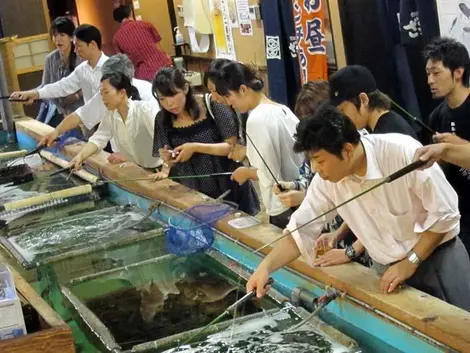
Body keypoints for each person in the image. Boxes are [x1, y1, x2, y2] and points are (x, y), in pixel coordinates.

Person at [247, 104, 470, 312]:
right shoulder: (326, 181)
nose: (316, 169)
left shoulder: (402, 152)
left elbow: (445, 213)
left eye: (320, 160)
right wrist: (265, 268)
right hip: (388, 269)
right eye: (311, 160)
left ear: (346, 150)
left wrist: (411, 261)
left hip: (438, 259)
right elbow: (301, 229)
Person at [315, 65, 420, 259]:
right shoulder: (374, 130)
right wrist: (340, 233)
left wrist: (351, 251)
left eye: (343, 110)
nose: (341, 120)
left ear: (363, 100)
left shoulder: (390, 137)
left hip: (415, 250)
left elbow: (384, 210)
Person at [152, 67, 260, 215]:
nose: (169, 104)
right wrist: (168, 159)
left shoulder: (213, 106)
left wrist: (195, 147)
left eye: (173, 95)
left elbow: (232, 148)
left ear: (185, 88)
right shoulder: (162, 119)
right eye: (162, 99)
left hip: (227, 184)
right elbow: (165, 153)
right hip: (191, 190)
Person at [216, 62, 303, 229]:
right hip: (300, 195)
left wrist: (246, 173)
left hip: (283, 205)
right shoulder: (282, 109)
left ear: (242, 89)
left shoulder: (257, 118)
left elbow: (269, 174)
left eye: (228, 96)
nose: (228, 103)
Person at [39, 54, 158, 165]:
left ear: (121, 88)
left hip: (154, 164)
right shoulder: (110, 105)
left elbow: (161, 139)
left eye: (106, 91)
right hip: (127, 163)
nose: (103, 96)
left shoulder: (146, 103)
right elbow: (96, 132)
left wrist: (129, 157)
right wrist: (79, 156)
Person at [425, 37, 470, 254]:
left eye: (436, 72)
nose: (430, 80)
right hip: (459, 215)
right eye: (428, 74)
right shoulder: (436, 116)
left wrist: (454, 147)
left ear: (458, 72)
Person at [69, 72, 161, 170]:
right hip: (140, 169)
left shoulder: (144, 110)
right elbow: (98, 138)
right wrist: (80, 157)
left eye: (106, 92)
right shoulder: (111, 114)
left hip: (162, 169)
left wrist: (165, 170)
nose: (103, 98)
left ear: (122, 93)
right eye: (101, 93)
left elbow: (164, 142)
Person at [11, 24, 107, 107]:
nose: (75, 50)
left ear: (93, 44)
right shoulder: (82, 69)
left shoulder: (111, 67)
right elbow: (62, 86)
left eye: (78, 46)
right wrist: (34, 93)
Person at [273, 80, 329, 209]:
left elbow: (341, 195)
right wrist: (293, 185)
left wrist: (305, 198)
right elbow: (308, 176)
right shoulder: (311, 142)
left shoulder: (343, 143)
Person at [329, 65, 418, 138]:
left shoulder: (387, 136)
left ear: (363, 100)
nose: (342, 118)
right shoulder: (391, 123)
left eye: (342, 110)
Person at [38, 16, 83, 127]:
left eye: (62, 35)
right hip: (58, 111)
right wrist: (30, 95)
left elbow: (91, 83)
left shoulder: (80, 56)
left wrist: (76, 96)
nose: (58, 39)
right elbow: (45, 85)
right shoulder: (50, 59)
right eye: (55, 35)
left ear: (72, 38)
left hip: (80, 110)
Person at [112, 4, 171, 82]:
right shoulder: (145, 25)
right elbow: (158, 47)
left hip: (143, 76)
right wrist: (167, 58)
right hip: (162, 66)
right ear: (130, 13)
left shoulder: (116, 38)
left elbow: (124, 62)